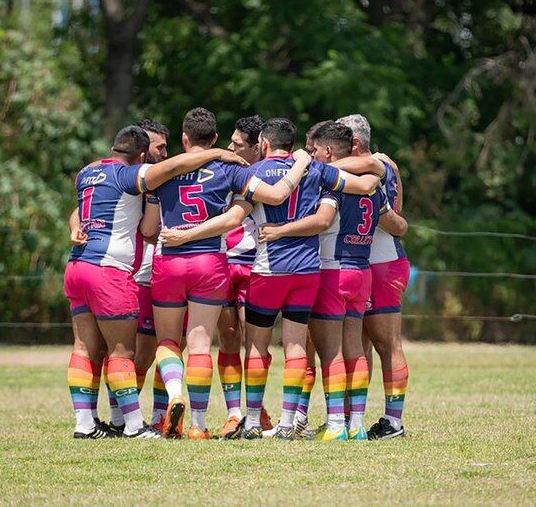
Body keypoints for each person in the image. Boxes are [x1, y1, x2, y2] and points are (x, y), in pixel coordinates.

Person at [140, 108, 313, 440]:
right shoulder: (228, 170)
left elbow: (149, 228)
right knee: (202, 344)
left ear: (184, 138)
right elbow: (276, 195)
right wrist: (302, 163)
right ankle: (199, 425)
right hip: (210, 262)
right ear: (215, 139)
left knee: (168, 341)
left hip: (169, 261)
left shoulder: (160, 172)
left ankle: (175, 393)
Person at [65, 124, 247, 439]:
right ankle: (134, 426)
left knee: (88, 349)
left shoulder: (89, 172)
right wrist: (217, 154)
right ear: (140, 152)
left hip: (79, 265)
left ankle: (88, 424)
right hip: (115, 270)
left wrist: (74, 228)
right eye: (158, 148)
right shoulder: (133, 175)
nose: (164, 154)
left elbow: (80, 207)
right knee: (125, 351)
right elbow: (172, 173)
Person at [260, 122, 407, 441]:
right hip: (361, 272)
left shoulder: (330, 183)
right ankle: (356, 427)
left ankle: (337, 425)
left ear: (328, 152)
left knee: (331, 353)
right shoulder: (370, 184)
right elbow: (395, 219)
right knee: (355, 349)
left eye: (314, 151)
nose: (310, 156)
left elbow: (322, 220)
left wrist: (282, 230)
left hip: (331, 271)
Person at [338, 114, 410, 440]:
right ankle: (355, 421)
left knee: (386, 342)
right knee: (360, 342)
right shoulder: (389, 162)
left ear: (354, 144)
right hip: (370, 262)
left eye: (338, 144)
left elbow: (394, 219)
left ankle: (393, 421)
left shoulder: (373, 165)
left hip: (382, 261)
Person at [217, 115, 273, 439]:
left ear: (257, 147)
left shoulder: (267, 178)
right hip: (223, 263)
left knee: (255, 343)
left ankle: (256, 407)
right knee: (228, 339)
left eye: (237, 144)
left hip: (255, 264)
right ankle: (233, 413)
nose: (230, 147)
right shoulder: (222, 170)